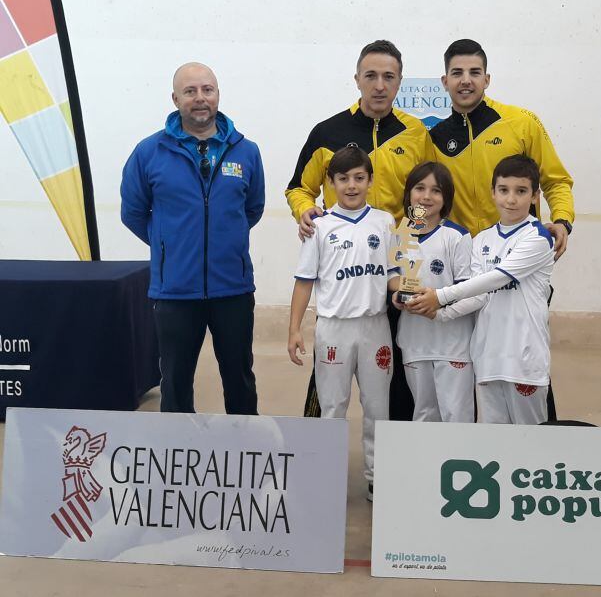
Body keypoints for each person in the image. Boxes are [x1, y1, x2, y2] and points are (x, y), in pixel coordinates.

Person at [286, 40, 435, 420]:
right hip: (343, 276)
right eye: (371, 76)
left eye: (389, 77)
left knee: (393, 371)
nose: (379, 85)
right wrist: (306, 211)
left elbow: (426, 190)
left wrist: (408, 239)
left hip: (398, 262)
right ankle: (317, 452)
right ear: (357, 79)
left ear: (400, 82)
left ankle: (385, 462)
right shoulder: (327, 131)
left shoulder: (416, 133)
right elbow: (298, 187)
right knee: (327, 380)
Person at [429, 38, 574, 420]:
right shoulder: (434, 138)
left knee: (528, 368)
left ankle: (540, 455)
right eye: (457, 73)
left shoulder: (521, 123)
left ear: (487, 78)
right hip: (466, 271)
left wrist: (562, 220)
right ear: (444, 81)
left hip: (520, 270)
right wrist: (409, 252)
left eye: (474, 73)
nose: (466, 81)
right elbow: (422, 198)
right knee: (473, 372)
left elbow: (556, 180)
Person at [121, 62, 265, 414]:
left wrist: (222, 243)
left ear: (217, 94)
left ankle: (245, 448)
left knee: (239, 377)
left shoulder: (246, 151)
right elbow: (133, 212)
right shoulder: (148, 152)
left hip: (232, 288)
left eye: (207, 90)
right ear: (175, 98)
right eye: (190, 91)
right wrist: (169, 245)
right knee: (175, 381)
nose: (200, 99)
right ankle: (177, 457)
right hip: (175, 292)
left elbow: (253, 208)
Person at [408, 155, 555, 425]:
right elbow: (476, 296)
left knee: (532, 444)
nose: (511, 199)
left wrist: (439, 297)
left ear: (535, 196)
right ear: (493, 193)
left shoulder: (538, 237)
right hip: (487, 358)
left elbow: (495, 279)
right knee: (492, 447)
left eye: (521, 191)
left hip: (524, 360)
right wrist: (437, 314)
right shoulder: (482, 239)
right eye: (504, 190)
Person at [287, 146, 398, 500]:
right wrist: (294, 329)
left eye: (359, 178)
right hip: (333, 327)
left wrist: (407, 294)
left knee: (378, 406)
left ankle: (378, 476)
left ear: (370, 180)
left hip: (375, 327)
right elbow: (304, 280)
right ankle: (329, 474)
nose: (351, 185)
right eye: (343, 179)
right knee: (333, 406)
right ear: (330, 183)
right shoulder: (318, 226)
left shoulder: (385, 222)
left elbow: (396, 273)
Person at [391, 162, 474, 422]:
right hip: (415, 341)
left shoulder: (457, 236)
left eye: (436, 191)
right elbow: (392, 277)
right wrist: (400, 294)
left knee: (455, 415)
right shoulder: (401, 234)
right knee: (424, 413)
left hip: (453, 344)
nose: (426, 196)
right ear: (409, 194)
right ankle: (425, 464)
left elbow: (466, 287)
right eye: (420, 188)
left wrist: (435, 300)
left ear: (446, 197)